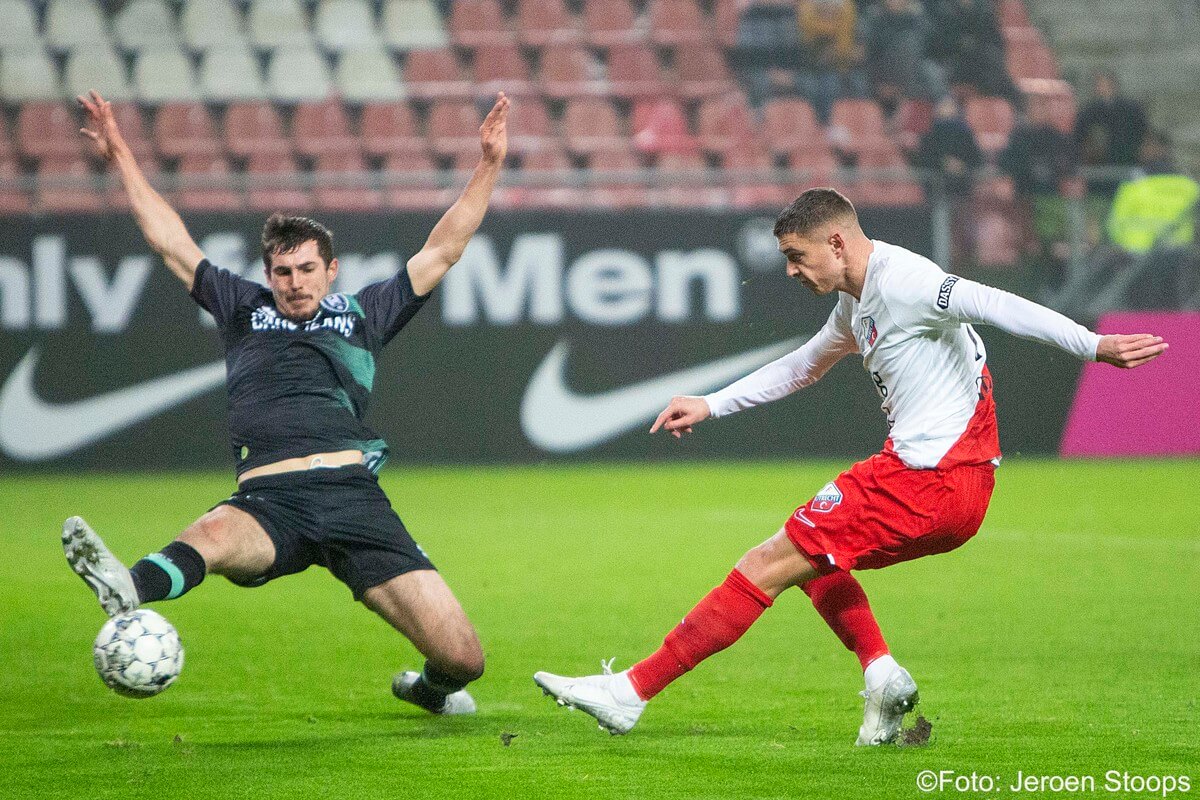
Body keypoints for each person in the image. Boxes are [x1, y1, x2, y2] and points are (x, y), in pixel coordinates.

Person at [533, 188, 1168, 743]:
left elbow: (996, 302)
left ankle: (632, 694)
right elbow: (804, 365)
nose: (789, 270)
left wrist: (1094, 345)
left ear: (837, 242)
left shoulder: (907, 280)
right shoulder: (857, 300)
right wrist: (712, 403)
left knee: (768, 562)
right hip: (950, 486)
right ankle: (882, 677)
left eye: (796, 256)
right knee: (810, 551)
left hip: (926, 481)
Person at [62, 89, 509, 715]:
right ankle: (127, 585)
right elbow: (171, 242)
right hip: (270, 503)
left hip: (354, 501)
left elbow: (444, 247)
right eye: (281, 271)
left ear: (330, 270)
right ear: (267, 274)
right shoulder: (243, 309)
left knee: (465, 661)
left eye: (304, 269)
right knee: (212, 537)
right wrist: (122, 157)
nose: (292, 282)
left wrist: (488, 164)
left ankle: (429, 693)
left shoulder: (364, 314)